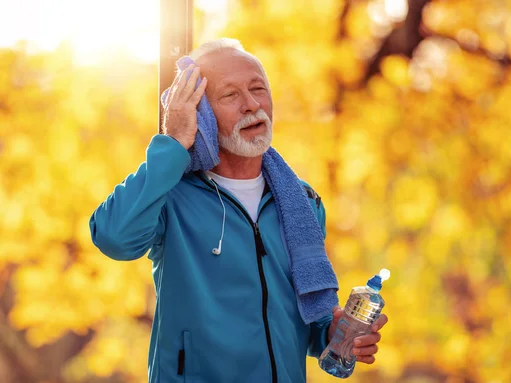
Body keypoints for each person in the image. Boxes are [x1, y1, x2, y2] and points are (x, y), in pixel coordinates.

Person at [89, 38, 387, 383]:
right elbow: (112, 238)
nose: (251, 104)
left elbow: (303, 323)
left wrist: (332, 332)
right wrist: (172, 144)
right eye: (230, 95)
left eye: (258, 89)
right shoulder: (169, 194)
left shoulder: (301, 202)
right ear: (202, 114)